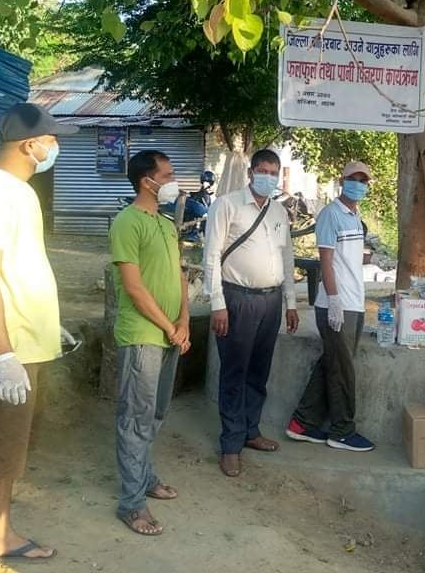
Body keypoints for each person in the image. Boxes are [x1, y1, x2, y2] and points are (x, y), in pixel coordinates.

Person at [0, 103, 77, 572]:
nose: (55, 148)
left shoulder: (19, 192)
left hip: (27, 346)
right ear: (30, 145)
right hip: (2, 356)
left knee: (7, 455)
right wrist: (3, 355)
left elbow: (19, 274)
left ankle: (0, 535)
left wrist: (45, 324)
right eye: (52, 140)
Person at [109, 150, 191, 536]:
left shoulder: (166, 224)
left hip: (170, 334)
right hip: (143, 336)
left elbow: (180, 276)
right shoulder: (127, 222)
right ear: (147, 181)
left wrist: (184, 321)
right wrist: (169, 328)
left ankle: (145, 476)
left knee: (156, 413)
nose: (174, 182)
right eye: (168, 175)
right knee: (135, 419)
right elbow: (134, 288)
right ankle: (131, 503)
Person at [203, 150, 299, 477]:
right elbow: (211, 255)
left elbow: (287, 257)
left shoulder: (279, 211)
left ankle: (250, 431)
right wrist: (217, 303)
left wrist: (291, 302)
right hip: (237, 299)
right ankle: (231, 445)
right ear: (251, 173)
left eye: (274, 172)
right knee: (235, 372)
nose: (268, 177)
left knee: (259, 371)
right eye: (263, 170)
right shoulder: (227, 205)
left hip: (271, 301)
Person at [286, 161, 375, 453]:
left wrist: (373, 260)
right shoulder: (331, 214)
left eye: (363, 180)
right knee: (343, 371)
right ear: (342, 180)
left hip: (354, 301)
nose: (358, 185)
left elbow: (348, 259)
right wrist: (334, 300)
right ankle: (342, 431)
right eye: (353, 179)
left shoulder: (355, 216)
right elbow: (326, 261)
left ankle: (301, 423)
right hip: (338, 304)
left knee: (333, 362)